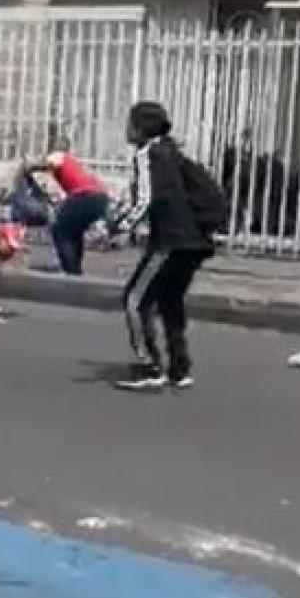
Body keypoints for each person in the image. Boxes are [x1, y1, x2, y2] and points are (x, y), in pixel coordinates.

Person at [111, 102, 219, 392]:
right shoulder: (174, 153)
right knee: (171, 303)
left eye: (129, 123)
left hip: (170, 242)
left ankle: (149, 367)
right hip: (194, 243)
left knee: (135, 300)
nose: (126, 130)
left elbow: (145, 200)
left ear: (140, 128)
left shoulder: (148, 154)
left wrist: (117, 228)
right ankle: (179, 369)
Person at [25, 136, 110, 276]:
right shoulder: (72, 161)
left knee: (60, 230)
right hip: (100, 197)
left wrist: (30, 166)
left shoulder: (59, 155)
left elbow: (48, 162)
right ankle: (75, 268)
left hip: (85, 196)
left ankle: (70, 269)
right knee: (74, 231)